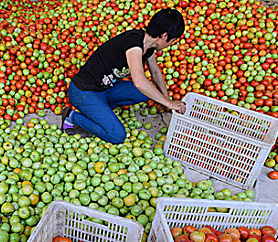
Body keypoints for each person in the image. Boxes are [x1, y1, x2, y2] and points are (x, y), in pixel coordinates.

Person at [62, 8, 187, 144]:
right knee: (117, 136)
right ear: (164, 36)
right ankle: (71, 116)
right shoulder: (133, 42)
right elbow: (139, 82)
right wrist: (168, 103)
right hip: (84, 91)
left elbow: (156, 73)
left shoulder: (149, 48)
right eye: (172, 41)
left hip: (106, 88)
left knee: (148, 92)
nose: (170, 45)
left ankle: (100, 108)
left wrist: (167, 101)